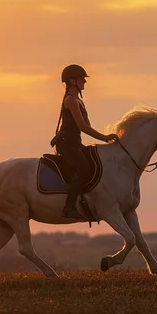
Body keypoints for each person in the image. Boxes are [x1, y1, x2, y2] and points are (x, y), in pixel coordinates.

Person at [53, 64, 118, 219]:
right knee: (83, 168)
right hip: (66, 144)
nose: (85, 81)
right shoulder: (71, 100)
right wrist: (104, 138)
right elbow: (83, 127)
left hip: (74, 143)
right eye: (82, 78)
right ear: (72, 80)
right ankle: (69, 207)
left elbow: (86, 126)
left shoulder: (78, 101)